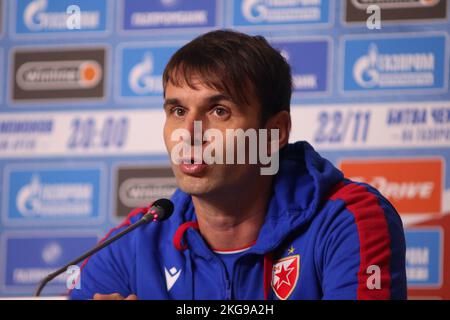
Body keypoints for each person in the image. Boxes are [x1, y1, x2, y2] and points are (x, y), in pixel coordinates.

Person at [70, 30, 407, 300]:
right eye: (178, 111)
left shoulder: (348, 220)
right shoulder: (134, 242)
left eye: (219, 111)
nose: (189, 133)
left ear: (274, 133)